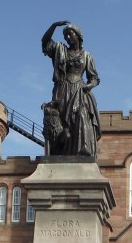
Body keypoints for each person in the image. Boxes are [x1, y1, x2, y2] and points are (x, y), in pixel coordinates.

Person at [41, 20, 101, 158]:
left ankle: (82, 151)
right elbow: (45, 41)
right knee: (62, 123)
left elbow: (94, 77)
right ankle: (60, 153)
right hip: (62, 89)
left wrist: (89, 86)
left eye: (70, 34)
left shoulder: (87, 56)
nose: (67, 37)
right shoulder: (60, 50)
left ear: (78, 36)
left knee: (81, 116)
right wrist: (54, 26)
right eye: (66, 35)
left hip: (80, 90)